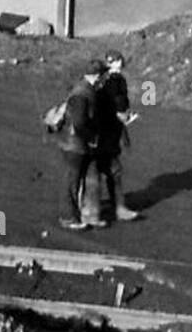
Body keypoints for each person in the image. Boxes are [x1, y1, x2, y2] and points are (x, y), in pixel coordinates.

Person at [54, 59, 107, 230]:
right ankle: (68, 217)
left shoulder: (87, 90)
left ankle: (90, 214)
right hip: (74, 144)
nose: (104, 79)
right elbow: (79, 122)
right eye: (103, 75)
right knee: (72, 180)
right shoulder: (81, 94)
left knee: (91, 177)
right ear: (97, 76)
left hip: (81, 143)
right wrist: (92, 137)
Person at [95, 50, 141, 221]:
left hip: (104, 130)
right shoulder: (114, 80)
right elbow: (119, 103)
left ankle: (95, 207)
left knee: (101, 170)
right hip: (108, 130)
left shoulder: (104, 80)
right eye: (115, 61)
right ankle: (117, 208)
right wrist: (123, 116)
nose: (118, 63)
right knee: (112, 169)